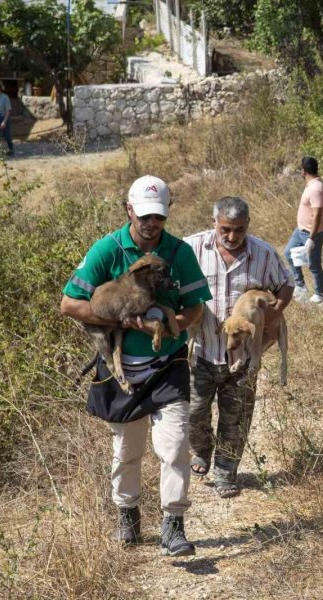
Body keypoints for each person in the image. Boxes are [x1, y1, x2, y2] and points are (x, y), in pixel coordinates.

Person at [60, 175, 212, 557]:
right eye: (144, 216)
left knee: (174, 446)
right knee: (127, 449)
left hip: (168, 364)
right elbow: (69, 304)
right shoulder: (107, 250)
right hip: (123, 369)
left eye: (158, 216)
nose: (151, 223)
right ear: (129, 210)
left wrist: (175, 326)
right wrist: (121, 321)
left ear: (167, 213)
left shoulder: (178, 252)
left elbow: (195, 307)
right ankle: (127, 516)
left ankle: (173, 525)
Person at [184, 196, 295, 498]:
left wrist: (273, 313)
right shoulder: (192, 248)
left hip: (243, 357)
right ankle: (202, 450)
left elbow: (286, 282)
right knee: (193, 413)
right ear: (214, 223)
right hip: (202, 351)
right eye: (226, 229)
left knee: (236, 417)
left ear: (248, 226)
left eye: (239, 230)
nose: (232, 237)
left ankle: (225, 473)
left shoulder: (263, 253)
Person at [284, 156, 323, 304]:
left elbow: (317, 215)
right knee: (288, 253)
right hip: (301, 230)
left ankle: (319, 294)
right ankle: (300, 285)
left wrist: (311, 238)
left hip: (312, 233)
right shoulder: (311, 185)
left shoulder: (316, 188)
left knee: (313, 264)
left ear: (303, 171)